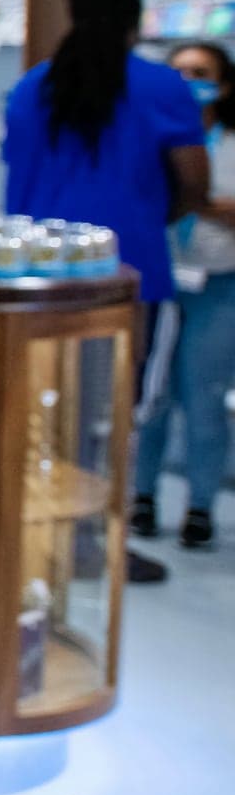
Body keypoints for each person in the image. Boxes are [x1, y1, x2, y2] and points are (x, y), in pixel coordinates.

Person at [4, 0, 208, 585]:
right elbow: (193, 182)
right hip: (126, 274)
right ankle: (95, 540)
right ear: (134, 25)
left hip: (39, 274)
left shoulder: (32, 87)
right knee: (114, 411)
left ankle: (37, 534)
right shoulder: (162, 86)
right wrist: (149, 217)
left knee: (43, 404)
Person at [132, 41, 235, 550]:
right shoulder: (152, 136)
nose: (190, 82)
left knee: (204, 395)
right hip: (159, 279)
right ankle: (142, 496)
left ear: (225, 83)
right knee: (152, 395)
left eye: (201, 72)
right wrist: (209, 201)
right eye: (180, 72)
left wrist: (192, 198)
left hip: (218, 283)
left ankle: (200, 506)